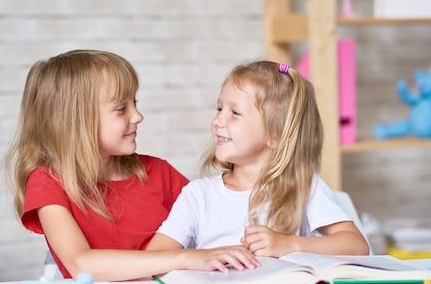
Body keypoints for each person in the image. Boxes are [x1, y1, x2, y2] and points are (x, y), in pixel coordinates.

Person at [4, 50, 259, 281]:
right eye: (120, 109)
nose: (138, 116)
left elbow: (220, 224)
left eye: (134, 104)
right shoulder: (48, 182)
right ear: (77, 120)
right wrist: (186, 258)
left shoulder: (160, 173)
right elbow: (81, 265)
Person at [147, 60, 370, 257]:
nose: (217, 120)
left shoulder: (304, 188)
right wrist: (202, 257)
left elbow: (356, 246)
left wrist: (289, 244)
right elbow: (155, 255)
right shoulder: (198, 195)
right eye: (219, 108)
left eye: (235, 113)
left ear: (276, 135)